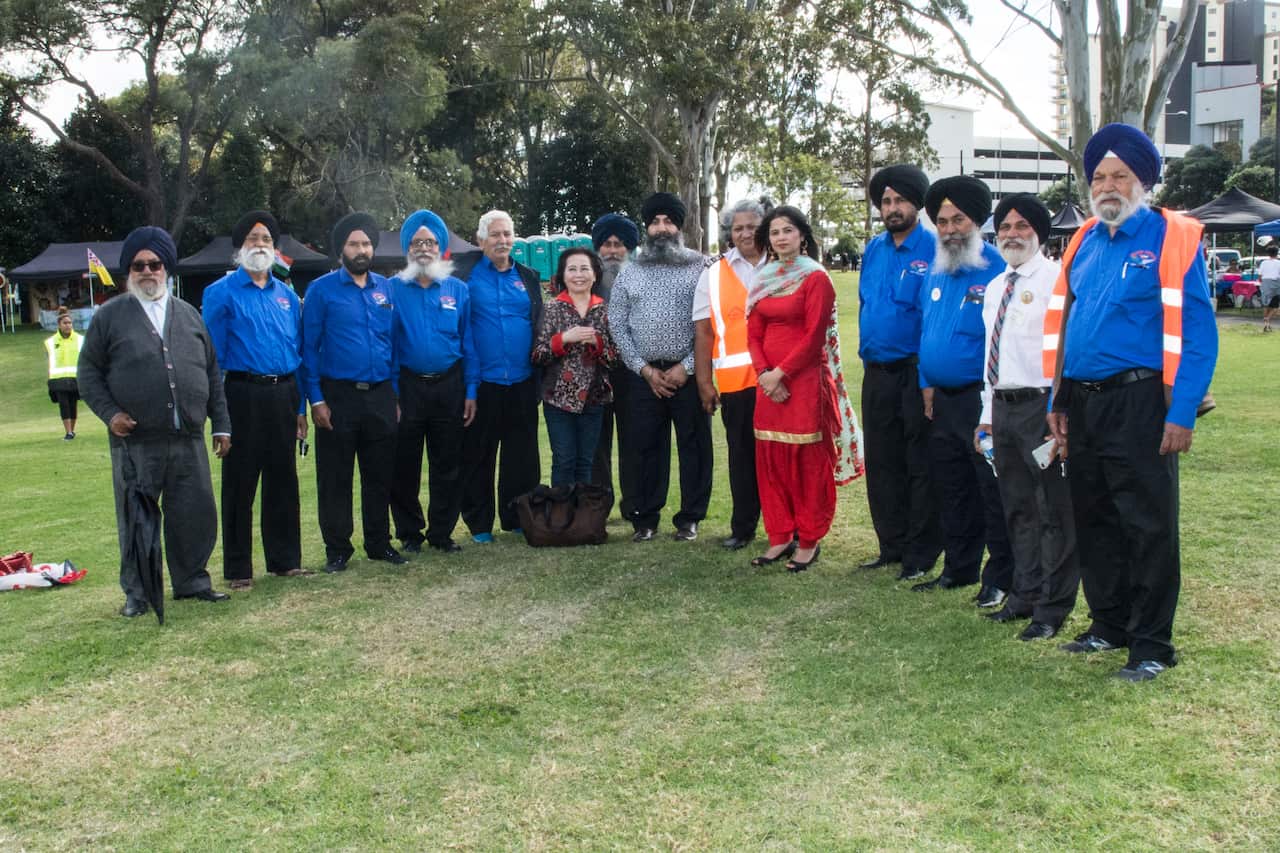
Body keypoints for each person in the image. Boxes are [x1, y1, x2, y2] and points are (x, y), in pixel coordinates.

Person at [1045, 123, 1218, 682]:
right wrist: (1059, 400)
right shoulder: (1085, 241)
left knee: (1147, 524)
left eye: (1120, 176)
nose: (1108, 186)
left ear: (1143, 181)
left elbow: (1199, 334)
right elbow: (1069, 328)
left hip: (1140, 400)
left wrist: (1182, 412)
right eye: (1099, 176)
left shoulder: (1172, 238)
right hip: (1084, 401)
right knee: (1094, 517)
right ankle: (1109, 624)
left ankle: (1151, 645)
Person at [77, 226, 231, 617]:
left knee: (194, 515)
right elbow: (88, 373)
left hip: (188, 437)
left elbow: (211, 372)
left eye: (155, 264)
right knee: (137, 519)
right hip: (137, 441)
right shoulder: (110, 316)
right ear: (129, 271)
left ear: (167, 269)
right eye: (139, 265)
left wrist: (221, 424)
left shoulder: (189, 315)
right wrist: (110, 414)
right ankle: (139, 594)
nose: (148, 271)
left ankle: (192, 581)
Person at [974, 194, 1079, 640]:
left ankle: (1051, 609)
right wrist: (986, 415)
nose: (1012, 234)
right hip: (1003, 405)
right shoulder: (996, 286)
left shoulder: (1057, 280)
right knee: (1017, 507)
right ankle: (1024, 595)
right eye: (1005, 227)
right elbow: (990, 354)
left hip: (1043, 407)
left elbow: (1067, 351)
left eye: (1022, 226)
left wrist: (1062, 407)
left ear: (1039, 232)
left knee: (1052, 509)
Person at [910, 175, 1014, 608]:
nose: (950, 229)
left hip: (982, 400)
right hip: (943, 399)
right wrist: (926, 382)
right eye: (942, 221)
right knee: (951, 487)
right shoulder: (936, 269)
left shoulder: (999, 269)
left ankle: (1001, 576)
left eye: (958, 220)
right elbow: (926, 330)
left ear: (978, 221)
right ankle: (959, 568)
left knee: (990, 489)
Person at [746, 206, 862, 572]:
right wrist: (765, 374)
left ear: (802, 236)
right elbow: (753, 333)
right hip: (768, 383)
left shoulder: (815, 278)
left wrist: (780, 374)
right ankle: (780, 535)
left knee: (807, 463)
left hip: (805, 381)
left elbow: (814, 337)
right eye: (775, 232)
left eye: (788, 230)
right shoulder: (762, 279)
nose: (781, 237)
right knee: (771, 459)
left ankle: (809, 540)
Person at [202, 211, 308, 591]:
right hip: (242, 395)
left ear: (274, 248)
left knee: (283, 480)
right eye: (253, 238)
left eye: (266, 239)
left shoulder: (287, 296)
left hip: (284, 394)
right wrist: (220, 417)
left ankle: (285, 562)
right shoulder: (220, 292)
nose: (260, 244)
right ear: (240, 247)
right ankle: (238, 570)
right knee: (240, 483)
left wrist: (300, 408)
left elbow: (297, 353)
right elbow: (211, 359)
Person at [301, 212, 405, 573]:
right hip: (338, 396)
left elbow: (394, 344)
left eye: (366, 244)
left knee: (380, 474)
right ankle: (337, 549)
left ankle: (379, 543)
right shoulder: (321, 290)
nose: (361, 250)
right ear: (341, 249)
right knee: (335, 477)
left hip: (380, 395)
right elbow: (308, 348)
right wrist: (316, 399)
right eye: (353, 244)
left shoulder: (386, 289)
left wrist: (395, 395)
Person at [608, 192, 713, 542]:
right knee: (645, 448)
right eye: (655, 222)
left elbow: (712, 321)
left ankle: (690, 518)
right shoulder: (630, 272)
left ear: (679, 227)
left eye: (669, 221)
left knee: (694, 446)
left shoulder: (702, 267)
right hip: (644, 377)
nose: (662, 228)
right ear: (647, 228)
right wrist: (644, 369)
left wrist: (688, 367)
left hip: (690, 374)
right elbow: (617, 324)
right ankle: (646, 518)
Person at [857, 165, 941, 580]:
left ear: (917, 204)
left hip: (915, 373)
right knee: (882, 461)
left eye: (900, 201)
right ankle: (890, 545)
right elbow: (865, 304)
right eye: (886, 201)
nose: (892, 208)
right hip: (876, 373)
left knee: (919, 464)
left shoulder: (935, 249)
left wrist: (927, 380)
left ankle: (919, 553)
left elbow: (935, 318)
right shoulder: (874, 249)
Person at [452, 210, 544, 542]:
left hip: (522, 380)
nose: (502, 240)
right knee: (478, 455)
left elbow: (537, 322)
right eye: (495, 235)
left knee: (521, 455)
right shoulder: (464, 276)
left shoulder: (527, 277)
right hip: (481, 382)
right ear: (481, 241)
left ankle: (516, 516)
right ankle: (479, 524)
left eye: (507, 234)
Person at [389, 209, 477, 554]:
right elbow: (388, 345)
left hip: (449, 386)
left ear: (440, 247)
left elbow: (469, 343)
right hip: (408, 386)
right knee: (404, 464)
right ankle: (410, 533)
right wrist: (393, 393)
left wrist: (471, 390)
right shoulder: (392, 290)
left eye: (430, 242)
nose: (423, 248)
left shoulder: (458, 290)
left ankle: (441, 532)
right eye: (416, 243)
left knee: (448, 464)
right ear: (407, 249)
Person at [693, 197, 769, 549]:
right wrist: (704, 382)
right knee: (741, 457)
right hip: (736, 384)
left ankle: (791, 528)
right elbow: (704, 331)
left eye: (753, 226)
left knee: (782, 457)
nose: (745, 233)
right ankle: (743, 528)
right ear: (729, 232)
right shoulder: (712, 274)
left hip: (779, 381)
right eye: (738, 228)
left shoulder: (782, 264)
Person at [532, 247, 617, 485]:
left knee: (586, 463)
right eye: (572, 269)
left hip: (594, 399)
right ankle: (562, 509)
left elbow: (616, 359)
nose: (578, 275)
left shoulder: (605, 310)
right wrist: (563, 339)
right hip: (558, 400)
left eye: (584, 269)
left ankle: (582, 510)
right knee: (564, 461)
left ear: (595, 275)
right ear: (563, 275)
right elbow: (537, 355)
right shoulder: (551, 309)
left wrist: (598, 344)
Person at [589, 213, 639, 508]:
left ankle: (633, 504)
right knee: (598, 441)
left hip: (632, 370)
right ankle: (600, 503)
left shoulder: (642, 278)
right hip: (595, 370)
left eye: (618, 244)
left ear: (629, 248)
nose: (612, 251)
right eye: (606, 244)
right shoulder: (586, 280)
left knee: (633, 439)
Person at [45, 307, 82, 440]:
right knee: (64, 404)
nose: (68, 325)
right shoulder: (50, 342)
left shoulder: (80, 339)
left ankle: (72, 430)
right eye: (65, 323)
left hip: (75, 378)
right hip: (58, 379)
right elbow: (49, 360)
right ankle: (68, 432)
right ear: (59, 325)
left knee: (73, 404)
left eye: (70, 323)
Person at [1258, 245, 1280, 332]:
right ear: (1277, 253)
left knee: (1266, 304)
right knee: (1275, 306)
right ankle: (1267, 318)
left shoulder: (1263, 263)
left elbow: (1260, 276)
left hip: (1265, 283)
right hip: (1276, 283)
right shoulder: (1278, 263)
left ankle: (1266, 324)